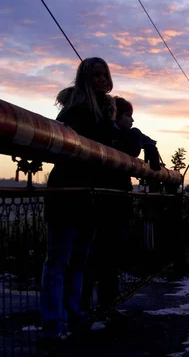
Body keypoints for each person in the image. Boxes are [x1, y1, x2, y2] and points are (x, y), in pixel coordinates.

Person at [41, 57, 116, 345]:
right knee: (59, 260)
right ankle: (53, 323)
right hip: (67, 191)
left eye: (104, 74)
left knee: (78, 261)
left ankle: (73, 316)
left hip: (89, 194)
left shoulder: (105, 111)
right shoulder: (74, 111)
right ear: (85, 78)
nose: (101, 78)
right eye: (95, 74)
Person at [83, 96, 161, 319]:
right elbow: (133, 145)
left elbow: (137, 139)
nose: (133, 119)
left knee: (104, 255)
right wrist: (143, 141)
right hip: (106, 200)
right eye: (128, 115)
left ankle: (99, 304)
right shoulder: (110, 133)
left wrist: (149, 143)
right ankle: (96, 306)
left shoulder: (119, 133)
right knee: (101, 255)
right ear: (116, 114)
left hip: (110, 200)